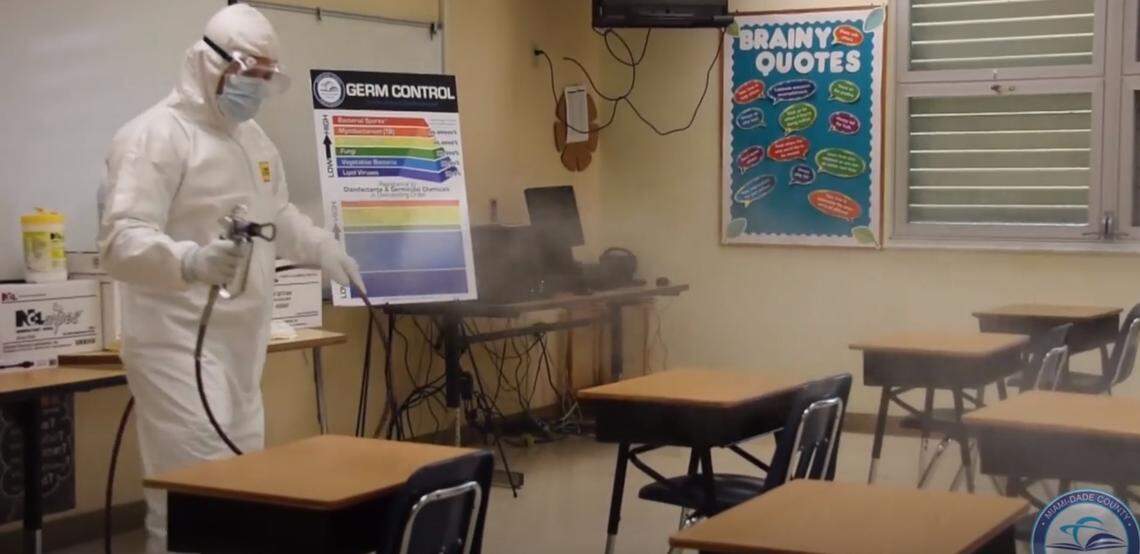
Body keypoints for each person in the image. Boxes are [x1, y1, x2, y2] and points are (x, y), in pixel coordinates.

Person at [99, 5, 364, 552]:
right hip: (176, 345)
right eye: (248, 73)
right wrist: (188, 262)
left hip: (242, 346)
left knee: (244, 491)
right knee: (196, 499)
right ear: (207, 63)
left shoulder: (254, 140)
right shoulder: (155, 137)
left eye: (265, 77)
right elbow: (120, 241)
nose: (255, 88)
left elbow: (277, 215)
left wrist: (321, 247)